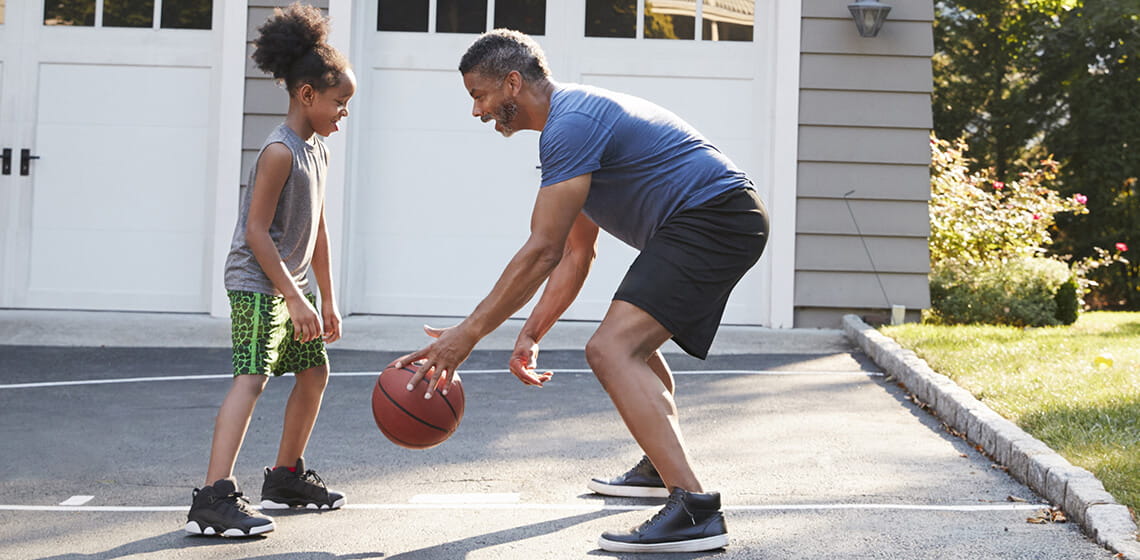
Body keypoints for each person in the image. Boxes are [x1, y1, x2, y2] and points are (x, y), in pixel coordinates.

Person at [394, 29, 769, 553]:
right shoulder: (574, 128)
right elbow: (575, 253)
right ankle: (662, 468)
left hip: (715, 217)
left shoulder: (570, 126)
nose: (476, 112)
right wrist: (531, 333)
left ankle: (694, 508)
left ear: (512, 83)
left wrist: (467, 336)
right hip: (710, 217)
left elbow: (541, 250)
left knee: (612, 348)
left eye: (479, 96)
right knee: (629, 345)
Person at [185, 3, 356, 538]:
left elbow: (319, 229)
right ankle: (214, 496)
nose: (343, 112)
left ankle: (284, 476)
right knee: (252, 378)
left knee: (315, 371)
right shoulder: (280, 151)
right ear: (307, 95)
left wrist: (325, 298)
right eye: (339, 102)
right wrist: (295, 297)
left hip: (292, 287)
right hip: (258, 283)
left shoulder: (317, 149)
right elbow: (257, 233)